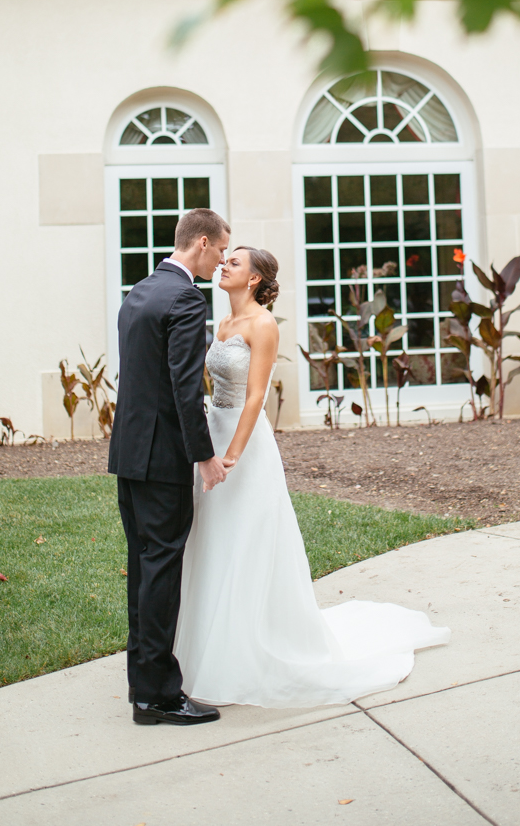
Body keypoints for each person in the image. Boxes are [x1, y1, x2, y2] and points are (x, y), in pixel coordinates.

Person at [174, 246, 450, 707]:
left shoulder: (262, 325)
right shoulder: (220, 323)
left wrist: (232, 457)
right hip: (211, 436)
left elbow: (256, 397)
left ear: (256, 280)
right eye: (226, 259)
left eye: (235, 262)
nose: (224, 265)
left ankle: (246, 653)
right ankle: (203, 652)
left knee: (243, 542)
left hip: (243, 448)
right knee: (211, 542)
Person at [109, 207, 232, 726]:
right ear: (201, 243)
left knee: (144, 567)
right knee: (160, 570)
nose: (223, 260)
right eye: (222, 250)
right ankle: (159, 694)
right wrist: (203, 455)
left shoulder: (138, 291)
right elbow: (186, 389)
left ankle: (144, 689)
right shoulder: (184, 297)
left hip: (130, 454)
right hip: (162, 460)